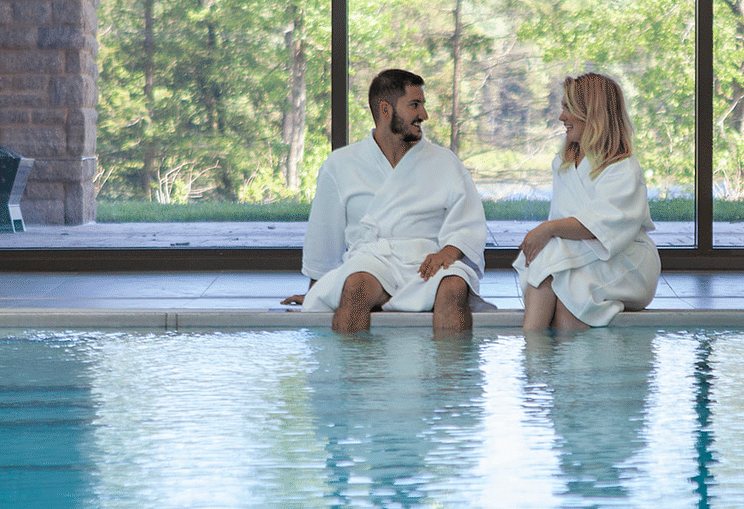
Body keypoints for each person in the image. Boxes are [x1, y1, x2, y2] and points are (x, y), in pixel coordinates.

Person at [281, 69, 487, 334]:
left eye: (423, 105)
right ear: (385, 109)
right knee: (355, 286)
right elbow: (324, 235)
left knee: (455, 287)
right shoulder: (340, 165)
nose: (424, 115)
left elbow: (468, 222)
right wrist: (320, 291)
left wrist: (448, 252)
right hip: (372, 260)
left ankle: (455, 376)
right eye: (415, 105)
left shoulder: (445, 162)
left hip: (430, 261)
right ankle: (352, 375)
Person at [515, 72, 661, 331]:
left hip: (626, 262)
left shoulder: (623, 168)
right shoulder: (563, 164)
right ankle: (545, 357)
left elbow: (600, 227)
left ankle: (533, 357)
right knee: (567, 297)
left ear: (592, 113)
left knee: (557, 275)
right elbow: (564, 228)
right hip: (579, 258)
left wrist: (547, 229)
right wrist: (551, 233)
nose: (562, 117)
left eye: (568, 108)